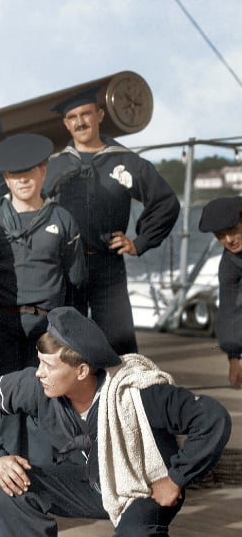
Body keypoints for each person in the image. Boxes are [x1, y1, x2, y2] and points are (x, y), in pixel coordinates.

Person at [0, 306, 230, 537]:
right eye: (39, 362)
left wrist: (176, 478)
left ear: (81, 370)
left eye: (48, 366)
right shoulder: (39, 386)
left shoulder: (137, 393)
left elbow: (212, 417)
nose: (39, 372)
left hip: (145, 488)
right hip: (91, 480)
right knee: (10, 481)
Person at [43, 85, 180, 355]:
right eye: (73, 117)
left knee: (120, 343)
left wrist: (139, 242)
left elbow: (166, 202)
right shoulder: (54, 164)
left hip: (108, 265)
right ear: (66, 124)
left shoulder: (126, 161)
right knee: (65, 342)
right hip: (66, 266)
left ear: (100, 115)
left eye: (86, 114)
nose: (80, 121)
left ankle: (124, 394)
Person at [0, 133, 85, 373]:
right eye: (14, 174)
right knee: (7, 397)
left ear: (43, 171)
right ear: (6, 179)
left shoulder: (62, 219)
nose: (22, 180)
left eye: (28, 172)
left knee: (47, 396)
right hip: (3, 325)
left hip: (49, 327)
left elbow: (77, 280)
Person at [199, 196, 242, 388]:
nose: (229, 240)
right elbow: (229, 308)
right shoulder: (229, 264)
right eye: (220, 236)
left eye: (232, 231)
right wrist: (234, 358)